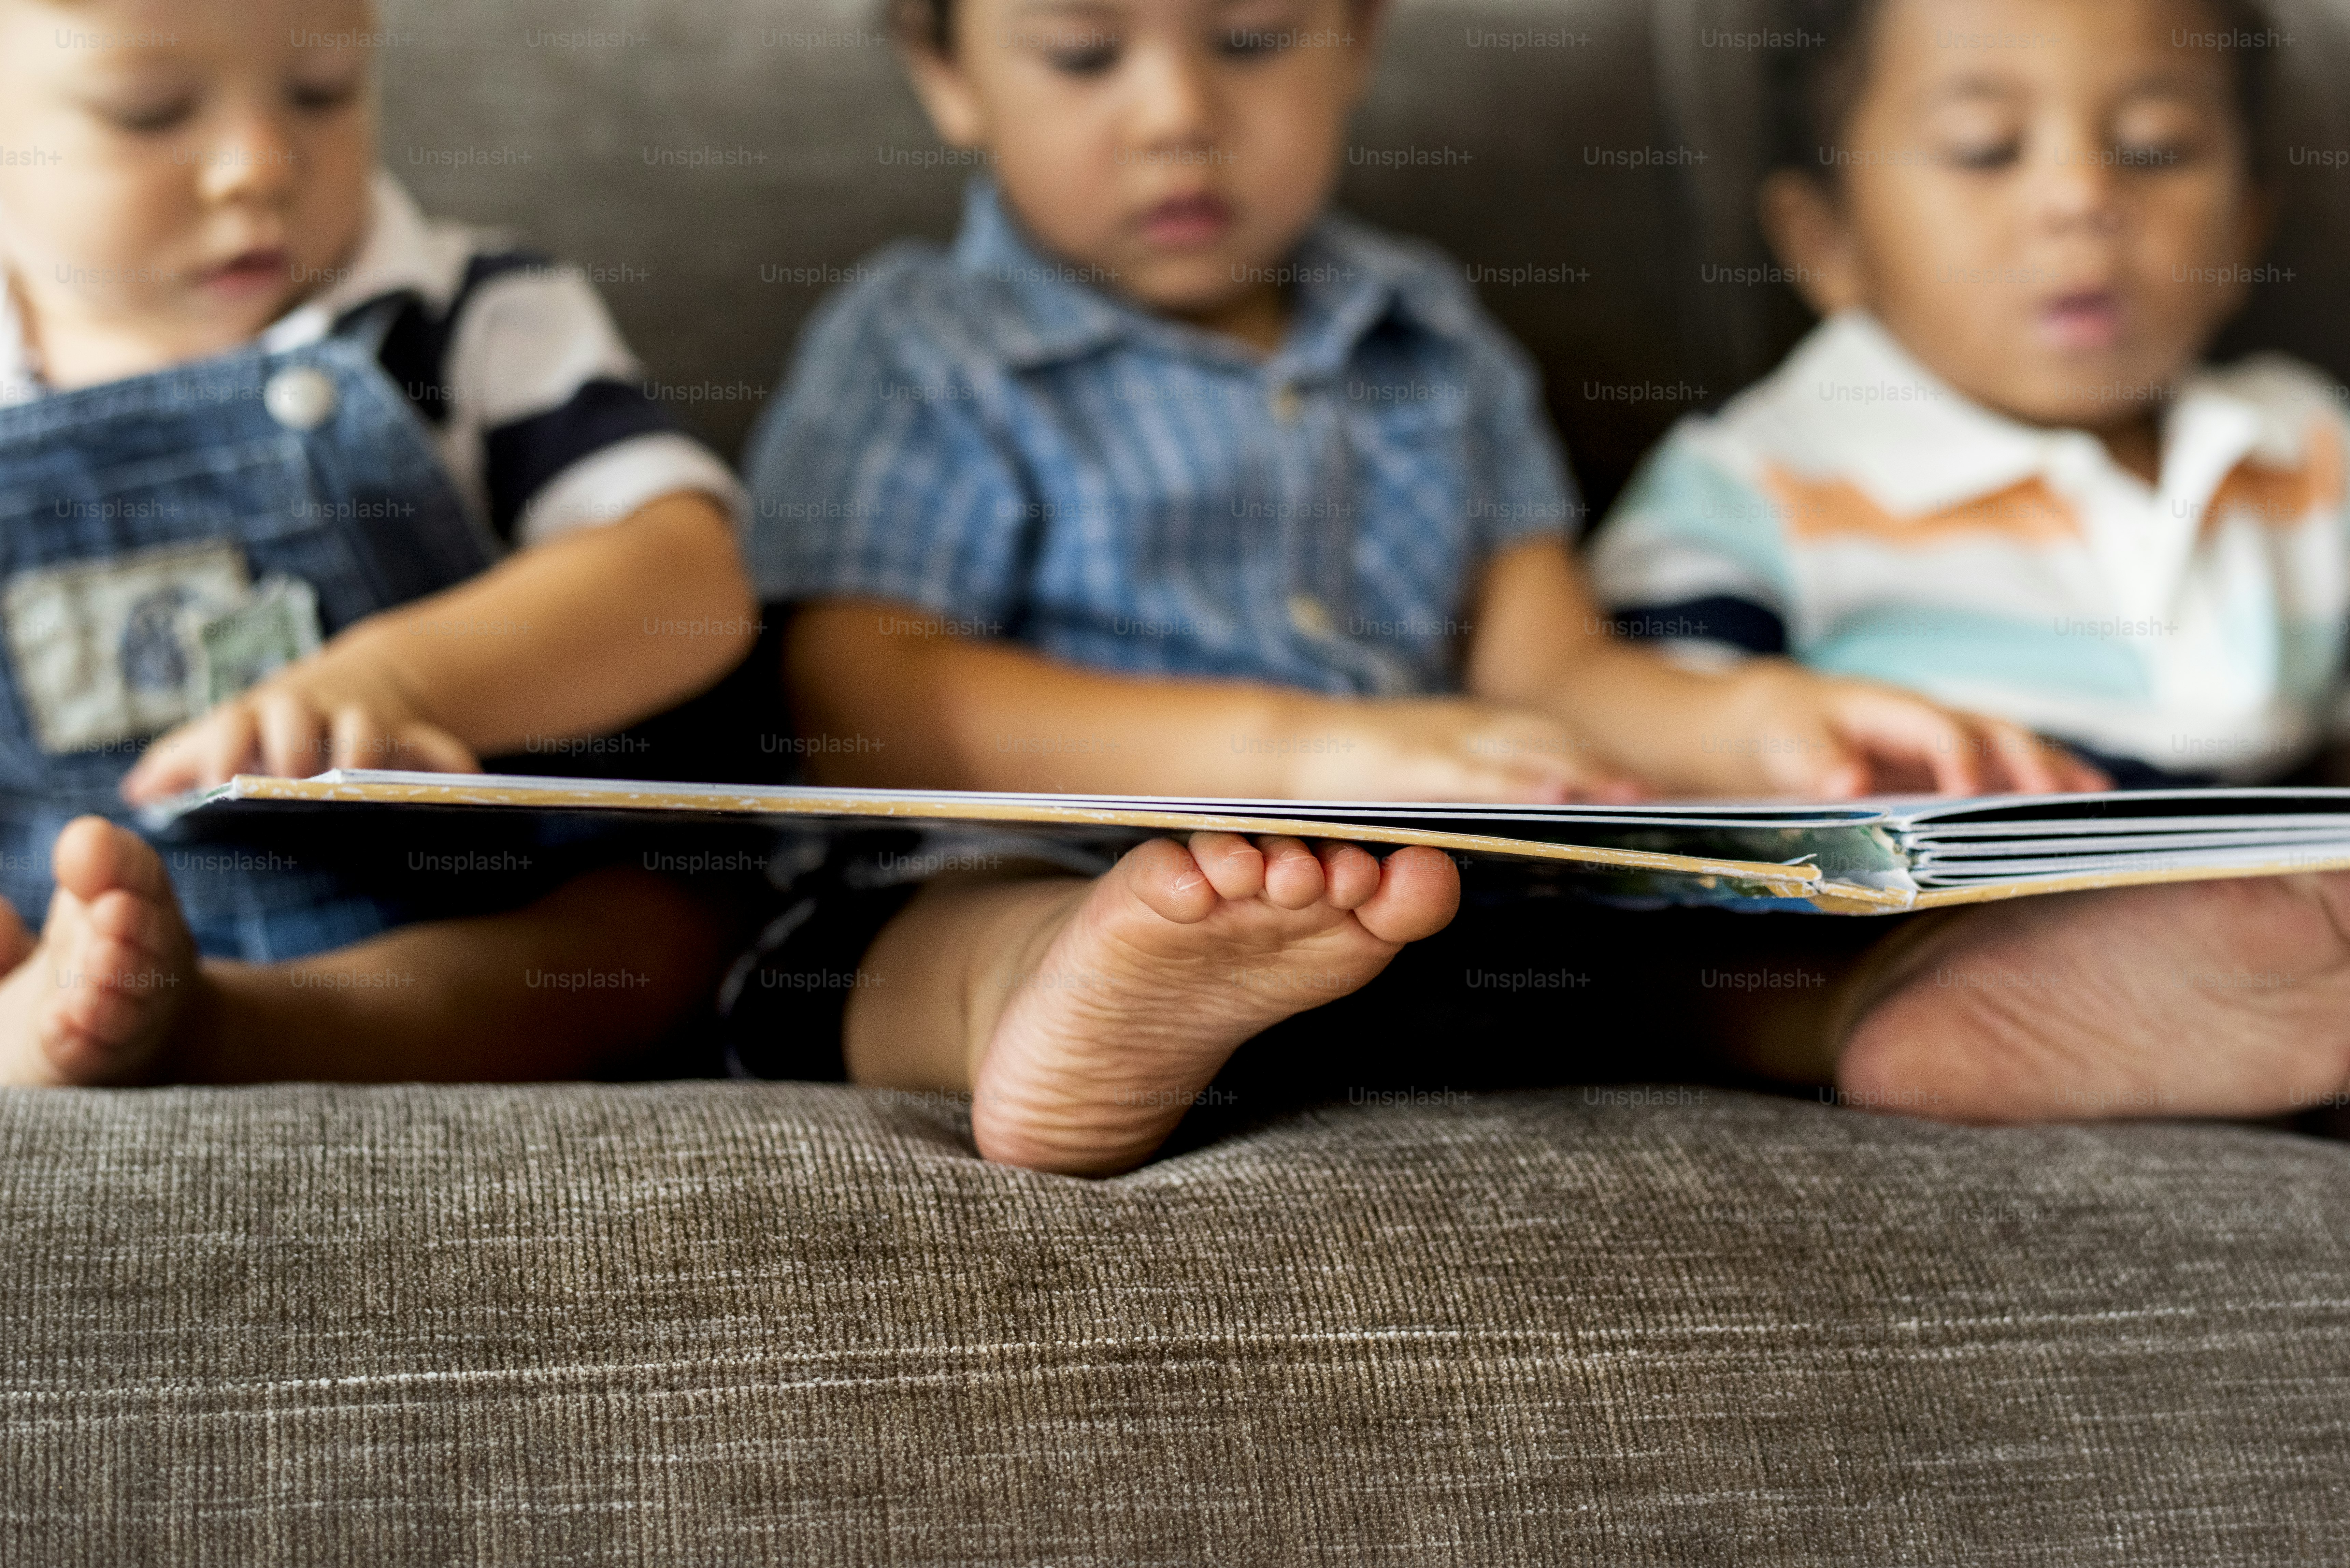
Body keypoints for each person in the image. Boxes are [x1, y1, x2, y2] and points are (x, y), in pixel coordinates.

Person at [748, 0, 2350, 1145]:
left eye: (1251, 39)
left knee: (1620, 959)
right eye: (1083, 53)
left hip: (1407, 895)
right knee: (966, 923)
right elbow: (867, 700)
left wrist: (1765, 723)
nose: (1175, 110)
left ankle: (1906, 1008)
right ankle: (1057, 1006)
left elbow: (1559, 671)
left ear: (1356, 38)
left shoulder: (1433, 343)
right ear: (946, 72)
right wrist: (1301, 753)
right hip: (1013, 853)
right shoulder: (923, 342)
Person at [0, 0, 1467, 1172]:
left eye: (324, 89)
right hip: (82, 887)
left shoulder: (475, 319)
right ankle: (105, 1007)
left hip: (497, 909)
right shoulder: (933, 341)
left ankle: (222, 1027)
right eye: (150, 111)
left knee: (653, 940)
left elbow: (685, 582)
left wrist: (402, 678)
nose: (259, 161)